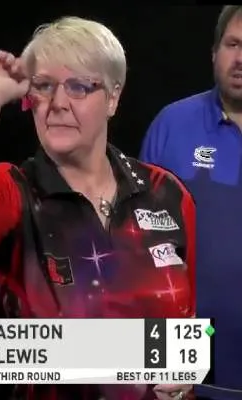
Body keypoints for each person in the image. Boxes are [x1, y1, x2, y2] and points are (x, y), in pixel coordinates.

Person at [0, 16, 196, 400]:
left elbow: (191, 328)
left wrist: (186, 370)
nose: (58, 103)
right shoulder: (9, 188)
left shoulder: (167, 193)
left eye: (79, 86)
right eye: (43, 86)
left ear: (113, 97)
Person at [140, 6, 242, 400]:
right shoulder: (172, 125)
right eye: (233, 44)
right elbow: (136, 247)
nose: (240, 58)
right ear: (214, 52)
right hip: (185, 372)